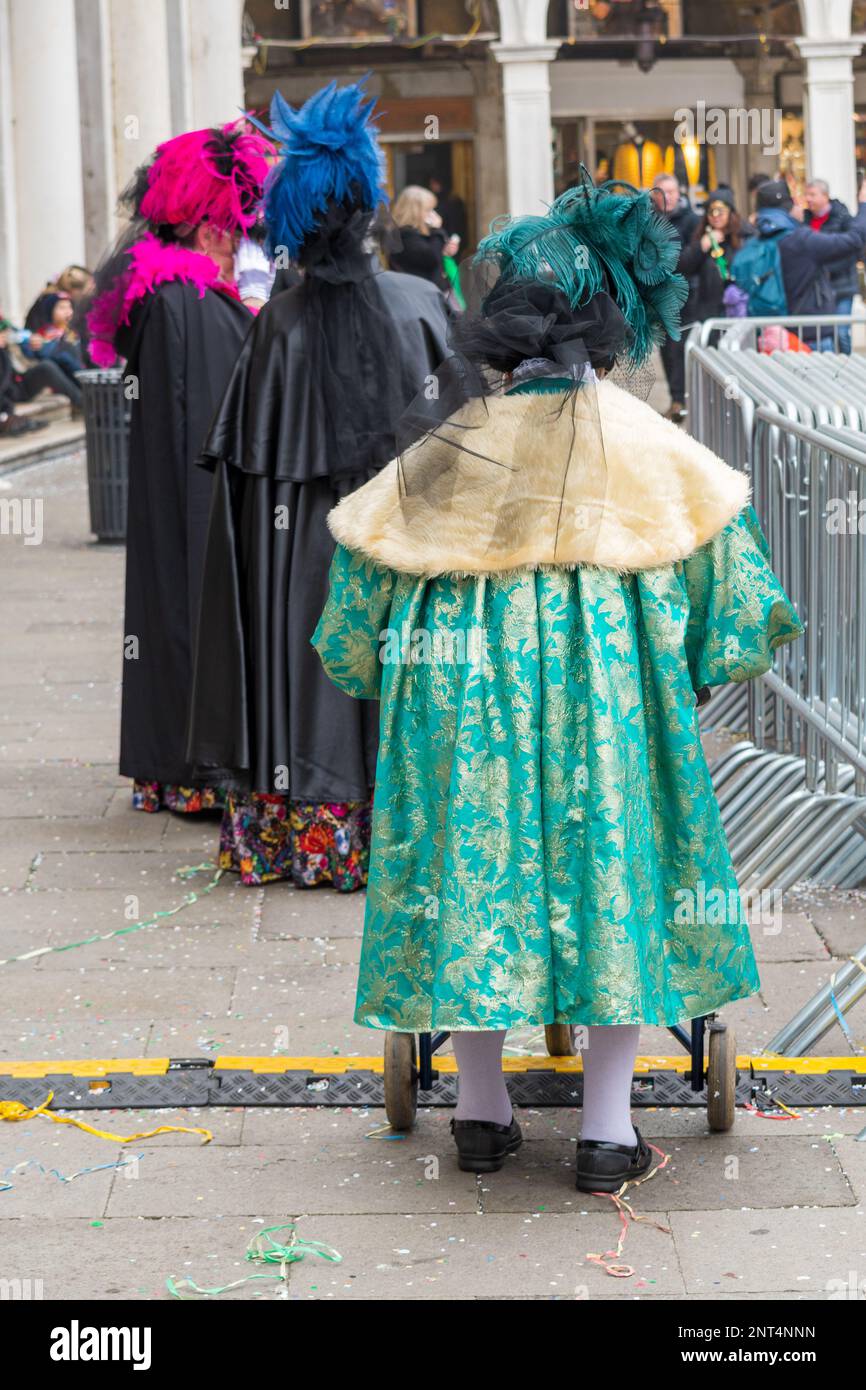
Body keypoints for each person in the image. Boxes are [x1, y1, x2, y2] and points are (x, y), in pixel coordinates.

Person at [311, 173, 803, 1187]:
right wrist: (694, 658)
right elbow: (737, 604)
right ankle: (604, 1129)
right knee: (616, 874)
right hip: (607, 709)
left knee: (475, 875)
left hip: (463, 711)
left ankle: (482, 1114)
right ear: (616, 319)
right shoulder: (651, 451)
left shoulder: (443, 454)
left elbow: (352, 614)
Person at [186, 81, 449, 890]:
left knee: (307, 649)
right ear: (369, 208)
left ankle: (307, 821)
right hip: (404, 546)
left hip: (297, 547)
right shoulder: (423, 305)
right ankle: (411, 824)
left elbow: (240, 475)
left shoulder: (278, 325)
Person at [84, 121, 271, 814]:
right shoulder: (184, 304)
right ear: (205, 231)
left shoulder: (181, 300)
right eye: (232, 226)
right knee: (193, 617)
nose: (239, 239)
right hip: (199, 504)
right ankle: (195, 768)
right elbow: (206, 419)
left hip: (189, 500)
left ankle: (180, 764)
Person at [736, 177, 866, 349]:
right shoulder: (801, 240)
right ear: (788, 208)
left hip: (774, 337)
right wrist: (863, 205)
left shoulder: (755, 240)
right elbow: (854, 240)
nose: (803, 204)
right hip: (811, 337)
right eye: (797, 201)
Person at [652, 172, 699, 421]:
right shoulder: (647, 221)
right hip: (660, 296)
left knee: (687, 349)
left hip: (688, 295)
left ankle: (689, 399)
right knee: (668, 350)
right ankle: (677, 399)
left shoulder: (692, 220)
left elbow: (691, 259)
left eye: (673, 192)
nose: (669, 197)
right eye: (664, 192)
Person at [802, 178, 861, 353]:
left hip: (841, 287)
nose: (808, 199)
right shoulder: (804, 220)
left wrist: (825, 268)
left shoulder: (843, 218)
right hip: (816, 291)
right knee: (822, 334)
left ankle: (849, 370)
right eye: (807, 194)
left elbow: (852, 251)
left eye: (812, 194)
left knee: (841, 332)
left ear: (825, 196)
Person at [0, 316, 82, 433]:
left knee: (47, 366)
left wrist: (33, 343)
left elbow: (21, 338)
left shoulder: (6, 327)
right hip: (8, 393)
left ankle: (82, 400)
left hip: (18, 383)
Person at [678, 187, 746, 326]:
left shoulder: (743, 237)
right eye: (711, 212)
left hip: (737, 310)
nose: (715, 216)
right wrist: (701, 247)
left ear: (730, 213)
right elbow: (682, 267)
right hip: (709, 313)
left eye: (720, 211)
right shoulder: (702, 238)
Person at [388, 185, 459, 292]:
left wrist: (444, 251)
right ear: (415, 212)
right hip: (418, 297)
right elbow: (431, 258)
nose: (433, 214)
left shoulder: (414, 233)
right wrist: (437, 231)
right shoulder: (405, 235)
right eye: (429, 210)